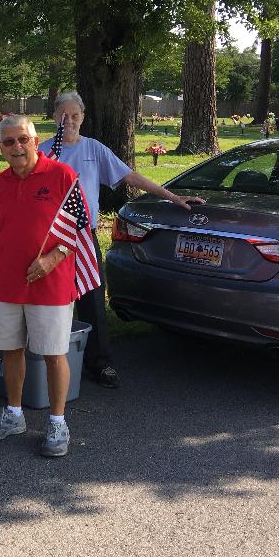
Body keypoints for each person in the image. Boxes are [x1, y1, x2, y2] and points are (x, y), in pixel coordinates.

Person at [38, 91, 204, 389]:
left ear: (83, 117)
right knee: (49, 301)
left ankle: (100, 363)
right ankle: (45, 360)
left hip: (83, 236)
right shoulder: (43, 151)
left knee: (92, 299)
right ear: (54, 117)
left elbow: (131, 177)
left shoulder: (94, 149)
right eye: (64, 115)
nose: (70, 121)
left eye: (75, 115)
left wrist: (173, 197)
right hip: (49, 238)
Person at [0, 115, 84, 458]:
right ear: (1, 149)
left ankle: (56, 422)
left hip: (50, 284)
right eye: (8, 142)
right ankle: (14, 414)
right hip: (8, 284)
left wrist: (52, 258)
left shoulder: (62, 176)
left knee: (54, 354)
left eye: (22, 139)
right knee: (11, 350)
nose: (16, 147)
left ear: (35, 141)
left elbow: (78, 228)